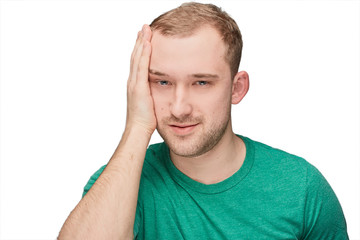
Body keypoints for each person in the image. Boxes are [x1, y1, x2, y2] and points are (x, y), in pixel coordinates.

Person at [58, 2, 348, 239]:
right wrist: (136, 127)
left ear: (237, 88)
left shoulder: (300, 187)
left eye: (201, 83)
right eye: (162, 82)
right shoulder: (121, 181)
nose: (179, 108)